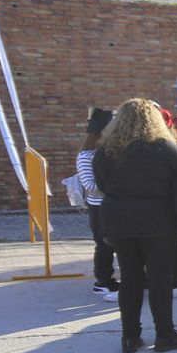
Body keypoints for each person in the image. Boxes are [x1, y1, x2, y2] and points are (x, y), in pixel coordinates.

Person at [94, 99, 177, 353]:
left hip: (118, 220)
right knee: (159, 279)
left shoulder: (106, 150)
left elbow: (101, 185)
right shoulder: (162, 147)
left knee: (129, 278)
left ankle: (130, 336)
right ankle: (165, 335)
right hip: (158, 220)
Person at [76, 107, 118, 301]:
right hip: (99, 207)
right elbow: (90, 186)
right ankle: (103, 281)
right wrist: (118, 185)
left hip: (117, 204)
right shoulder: (86, 156)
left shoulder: (115, 152)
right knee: (104, 245)